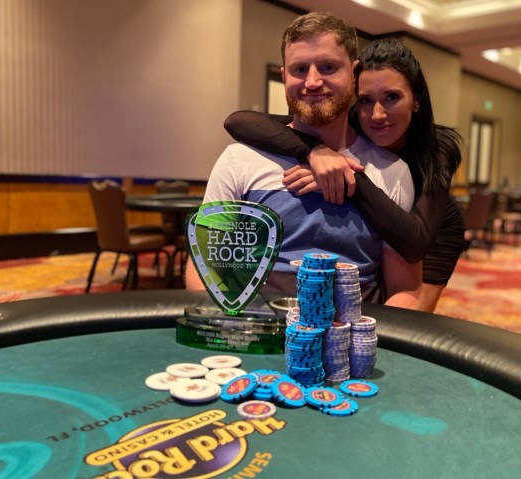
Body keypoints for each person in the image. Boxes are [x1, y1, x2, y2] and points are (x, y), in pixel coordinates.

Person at [186, 12, 422, 309]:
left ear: (353, 72)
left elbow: (405, 289)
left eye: (328, 67)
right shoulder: (239, 160)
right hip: (254, 327)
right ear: (284, 76)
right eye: (300, 69)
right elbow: (205, 267)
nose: (312, 82)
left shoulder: (393, 171)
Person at [224, 38, 464, 311]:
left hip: (429, 230)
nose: (377, 114)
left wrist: (346, 175)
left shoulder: (438, 148)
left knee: (416, 314)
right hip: (379, 219)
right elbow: (238, 121)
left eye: (392, 97)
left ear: (416, 100)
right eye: (365, 100)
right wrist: (315, 151)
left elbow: (415, 243)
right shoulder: (352, 126)